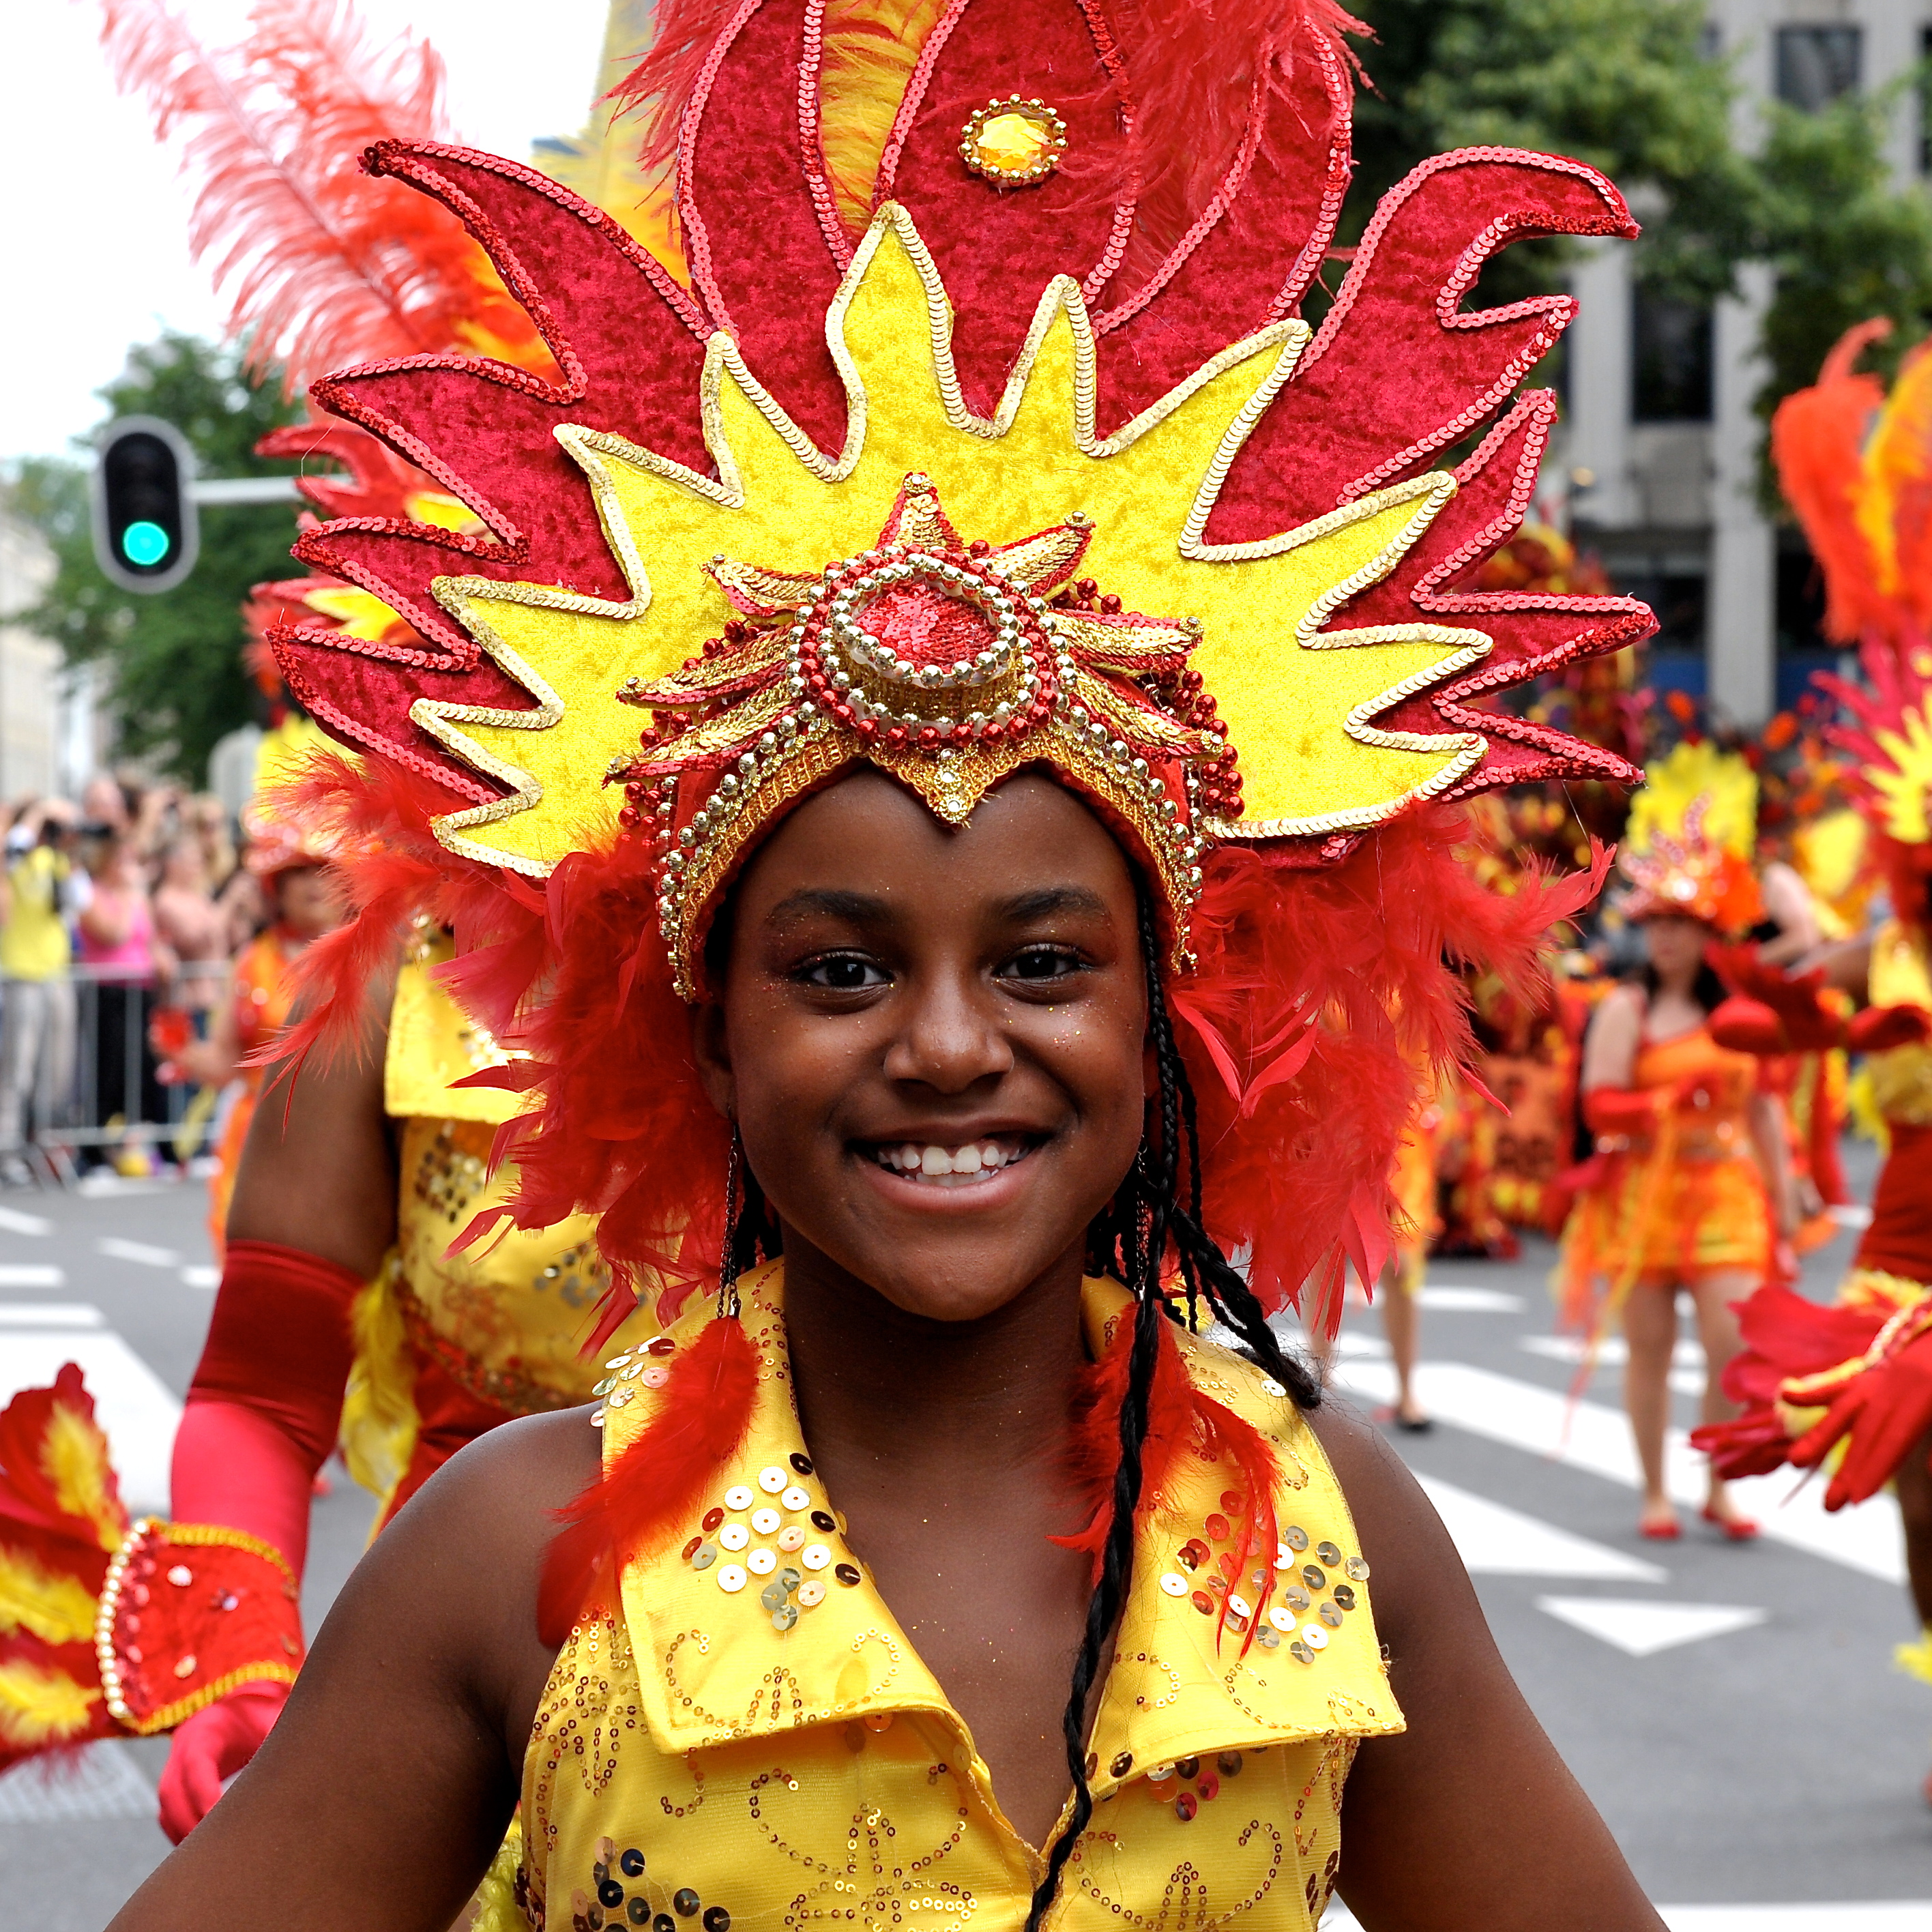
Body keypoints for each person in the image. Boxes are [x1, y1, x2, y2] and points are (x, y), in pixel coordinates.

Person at [15, 2, 1690, 1920]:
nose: (950, 1043)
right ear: (699, 1032)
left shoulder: (1321, 1533)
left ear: (1168, 1023)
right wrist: (241, 1639)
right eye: (836, 974)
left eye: (1048, 962)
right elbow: (269, 1373)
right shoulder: (516, 1553)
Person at [1693, 323, 1932, 1803]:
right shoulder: (1875, 889)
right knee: (1920, 1483)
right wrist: (1793, 997)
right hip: (1909, 1241)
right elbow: (1812, 984)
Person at [1560, 782, 1797, 1542]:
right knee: (1651, 1351)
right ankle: (1656, 1491)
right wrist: (1663, 1105)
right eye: (1656, 924)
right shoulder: (1625, 1009)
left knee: (1733, 1345)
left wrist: (1786, 1209)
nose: (1666, 939)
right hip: (1644, 1192)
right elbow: (1598, 1107)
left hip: (1726, 1191)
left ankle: (1721, 1486)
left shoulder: (1736, 1012)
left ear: (1706, 934)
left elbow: (1762, 1110)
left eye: (1681, 925)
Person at [76, 830, 175, 1170]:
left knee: (143, 1066)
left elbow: (148, 937)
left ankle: (145, 1144)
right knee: (110, 1068)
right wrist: (132, 895)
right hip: (108, 992)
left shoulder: (137, 897)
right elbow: (114, 932)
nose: (130, 868)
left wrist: (162, 958)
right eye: (123, 861)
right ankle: (96, 1149)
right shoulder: (92, 894)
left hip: (140, 990)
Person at [0, 797, 80, 1186]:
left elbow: (79, 901)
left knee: (55, 1071)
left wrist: (71, 843)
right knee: (17, 1070)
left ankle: (44, 1145)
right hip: (22, 976)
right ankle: (8, 1149)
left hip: (56, 975)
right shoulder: (18, 860)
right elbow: (15, 848)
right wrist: (37, 812)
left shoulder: (57, 863)